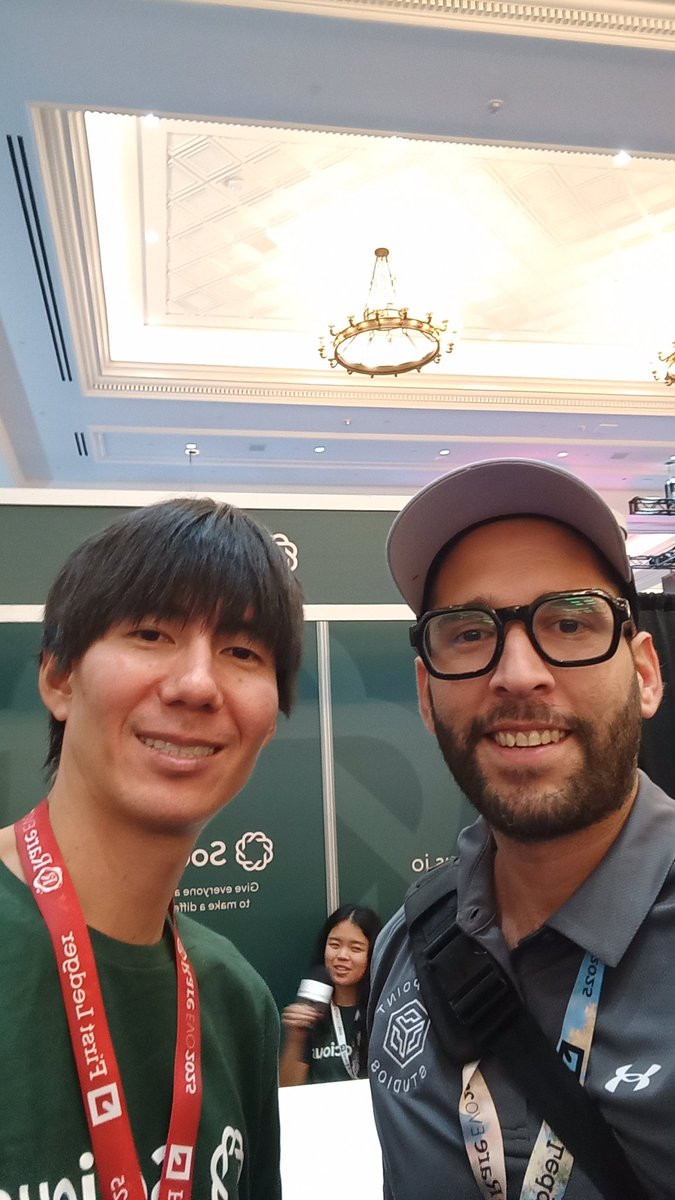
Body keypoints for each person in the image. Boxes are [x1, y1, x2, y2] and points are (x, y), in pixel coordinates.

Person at [367, 458, 674, 1200]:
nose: (516, 673)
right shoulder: (406, 946)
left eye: (568, 622)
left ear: (643, 674)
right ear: (426, 694)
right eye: (469, 633)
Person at [0, 497, 304, 1198]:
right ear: (59, 677)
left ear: (270, 721)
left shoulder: (236, 1001)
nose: (197, 685)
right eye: (150, 633)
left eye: (241, 652)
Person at [280, 903, 382, 1085]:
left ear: (373, 954)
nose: (342, 955)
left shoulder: (384, 1010)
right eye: (334, 945)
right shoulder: (312, 1011)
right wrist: (296, 1038)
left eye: (356, 948)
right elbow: (289, 1090)